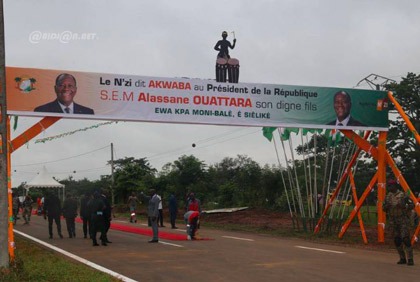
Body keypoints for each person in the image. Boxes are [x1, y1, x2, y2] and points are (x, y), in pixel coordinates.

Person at [383, 179, 415, 266]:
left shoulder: (403, 195)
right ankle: (402, 258)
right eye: (388, 186)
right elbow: (383, 208)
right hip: (393, 220)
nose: (389, 187)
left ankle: (410, 258)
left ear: (395, 186)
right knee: (397, 239)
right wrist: (386, 206)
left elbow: (412, 205)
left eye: (391, 186)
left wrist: (404, 206)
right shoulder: (388, 196)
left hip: (403, 219)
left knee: (406, 239)